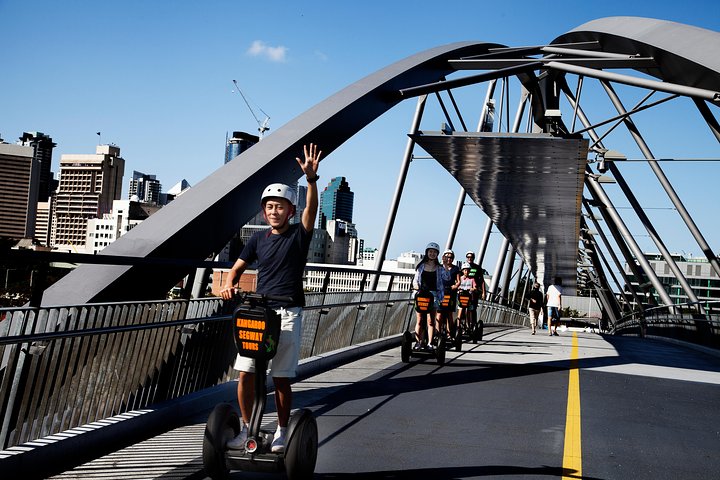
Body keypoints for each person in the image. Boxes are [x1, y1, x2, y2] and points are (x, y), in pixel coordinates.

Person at [220, 143, 322, 453]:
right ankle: (246, 428)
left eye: (280, 206)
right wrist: (229, 284)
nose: (273, 211)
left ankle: (281, 430)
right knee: (245, 374)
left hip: (288, 313)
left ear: (290, 211)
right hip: (259, 313)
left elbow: (311, 210)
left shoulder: (299, 236)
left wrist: (311, 180)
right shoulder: (257, 240)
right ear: (264, 212)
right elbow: (235, 270)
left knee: (279, 377)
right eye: (269, 207)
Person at [412, 242, 443, 350]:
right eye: (430, 252)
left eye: (434, 252)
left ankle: (430, 343)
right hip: (421, 294)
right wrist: (416, 286)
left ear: (437, 254)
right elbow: (415, 280)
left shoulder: (439, 268)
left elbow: (445, 280)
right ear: (427, 252)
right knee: (420, 320)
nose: (432, 254)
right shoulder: (421, 266)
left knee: (431, 321)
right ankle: (418, 342)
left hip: (434, 295)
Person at [438, 249, 460, 339]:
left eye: (451, 257)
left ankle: (449, 333)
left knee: (449, 314)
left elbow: (458, 281)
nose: (449, 259)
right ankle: (437, 333)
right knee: (439, 314)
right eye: (447, 257)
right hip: (440, 293)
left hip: (450, 293)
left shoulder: (455, 269)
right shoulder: (440, 267)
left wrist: (455, 286)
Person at [464, 251, 486, 333]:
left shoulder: (477, 267)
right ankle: (464, 325)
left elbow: (482, 280)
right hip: (464, 291)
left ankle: (473, 325)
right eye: (468, 257)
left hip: (474, 292)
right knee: (463, 308)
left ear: (473, 258)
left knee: (472, 309)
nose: (470, 258)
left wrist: (484, 292)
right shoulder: (464, 267)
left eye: (471, 257)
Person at [456, 262, 477, 332]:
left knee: (468, 311)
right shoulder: (460, 279)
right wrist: (458, 289)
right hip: (461, 298)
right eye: (465, 270)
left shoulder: (472, 279)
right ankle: (458, 326)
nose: (466, 272)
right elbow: (457, 286)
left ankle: (468, 325)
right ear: (462, 271)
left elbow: (475, 287)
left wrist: (473, 289)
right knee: (460, 311)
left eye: (468, 270)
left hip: (469, 298)